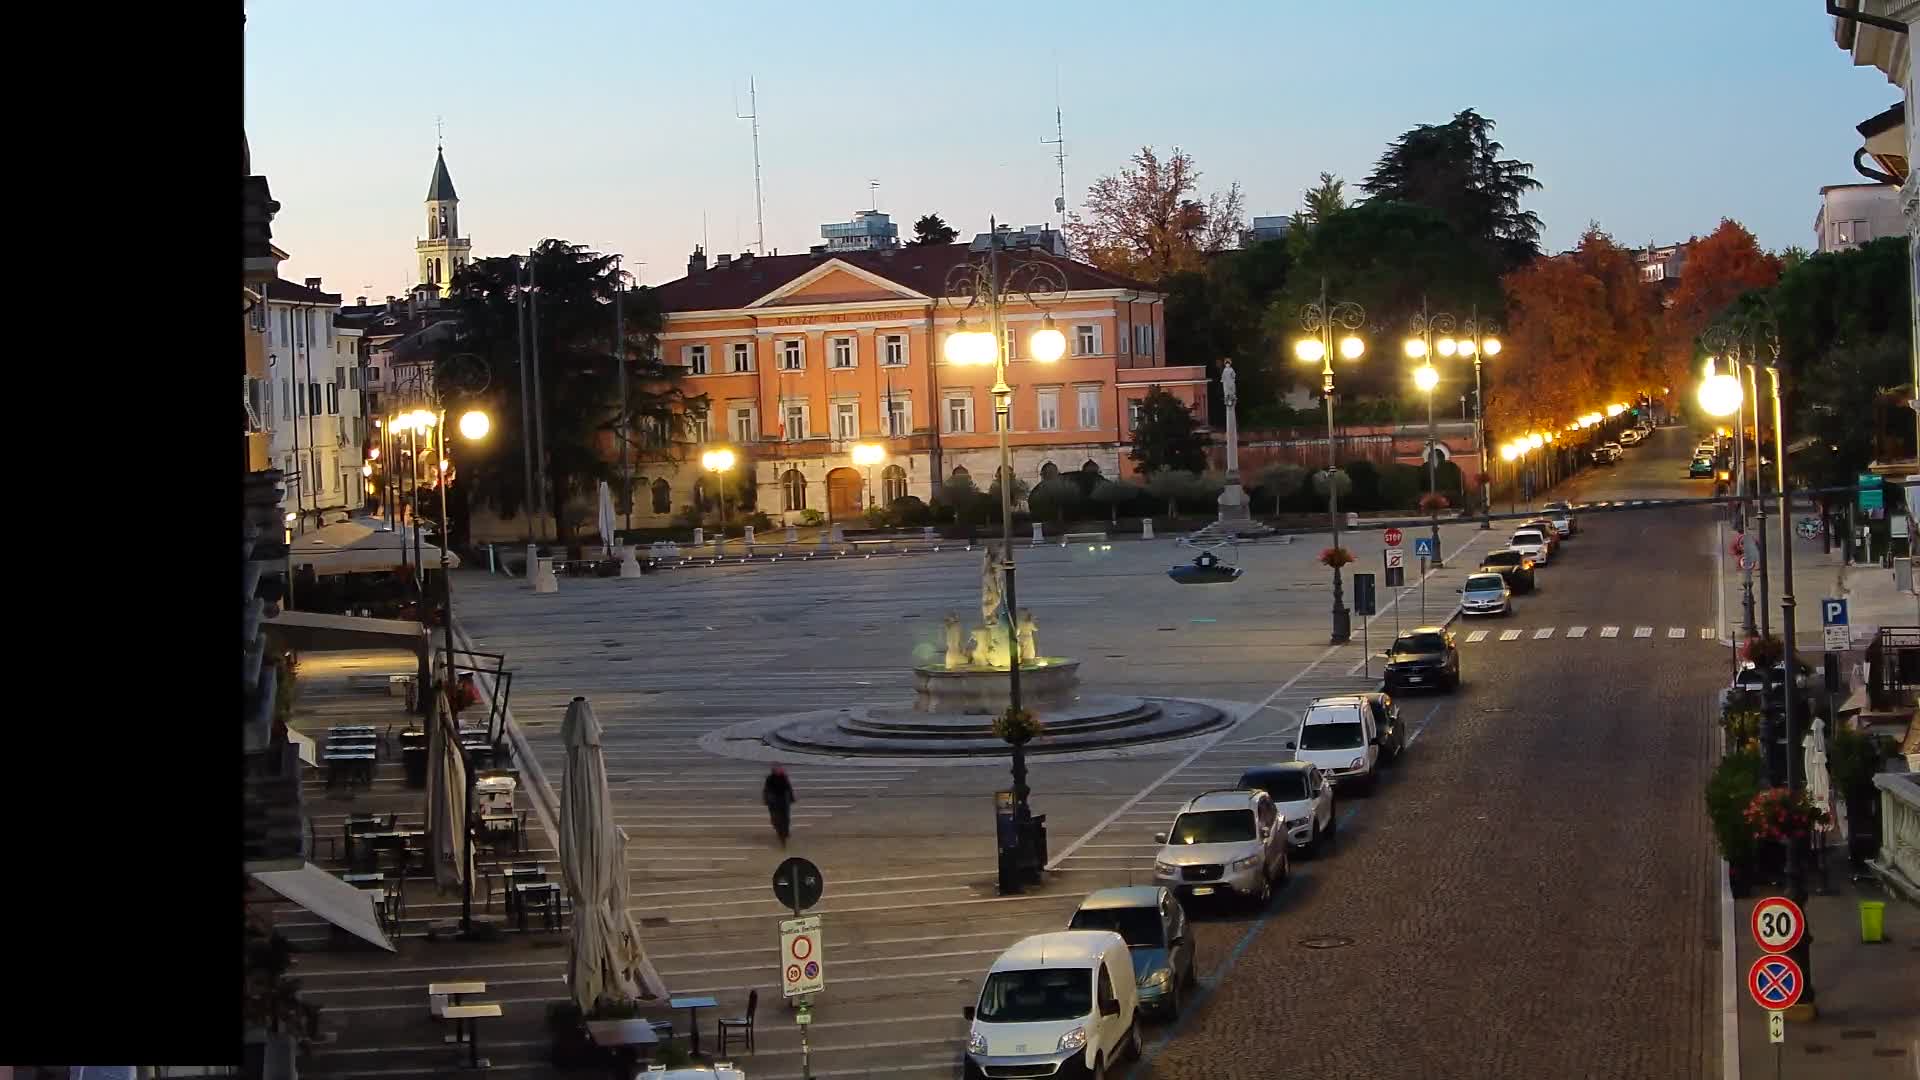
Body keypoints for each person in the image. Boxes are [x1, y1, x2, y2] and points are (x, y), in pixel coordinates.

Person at [763, 766, 795, 847]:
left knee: (785, 818)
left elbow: (788, 788)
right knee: (775, 819)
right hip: (774, 801)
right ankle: (780, 831)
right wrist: (767, 799)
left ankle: (785, 832)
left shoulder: (784, 777)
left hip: (783, 800)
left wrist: (791, 798)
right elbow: (766, 790)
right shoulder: (770, 779)